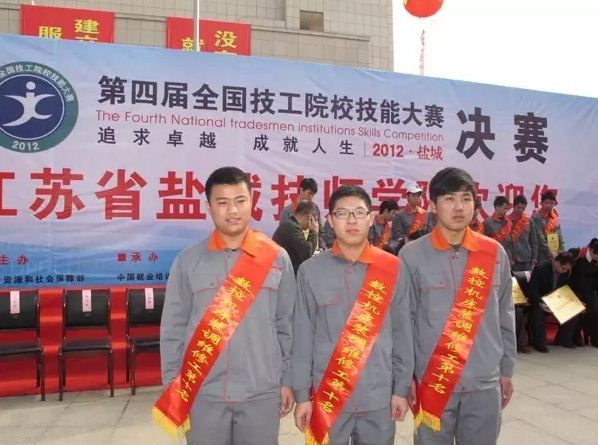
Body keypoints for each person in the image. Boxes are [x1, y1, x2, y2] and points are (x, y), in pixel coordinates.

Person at [155, 166, 296, 445]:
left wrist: (287, 380)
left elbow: (287, 325)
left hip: (261, 391)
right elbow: (173, 328)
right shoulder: (188, 261)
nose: (232, 210)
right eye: (222, 202)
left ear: (252, 202)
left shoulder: (277, 258)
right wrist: (173, 383)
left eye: (240, 200)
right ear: (209, 206)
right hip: (202, 393)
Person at [399, 167, 515, 445]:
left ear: (475, 204)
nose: (459, 207)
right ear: (433, 205)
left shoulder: (494, 253)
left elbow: (505, 315)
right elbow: (403, 323)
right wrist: (405, 378)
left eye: (466, 199)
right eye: (449, 199)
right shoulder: (411, 256)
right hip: (432, 382)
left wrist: (507, 370)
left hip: (483, 382)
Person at [292, 185, 413, 445]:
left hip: (378, 397)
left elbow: (403, 333)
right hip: (328, 396)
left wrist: (401, 389)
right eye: (342, 213)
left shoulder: (393, 268)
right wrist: (302, 395)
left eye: (359, 212)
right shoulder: (310, 271)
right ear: (330, 220)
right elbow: (302, 338)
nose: (351, 220)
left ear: (370, 218)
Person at [527, 252, 576, 352]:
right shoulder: (541, 268)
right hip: (540, 301)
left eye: (567, 270)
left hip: (556, 300)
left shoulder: (565, 272)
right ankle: (539, 343)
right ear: (557, 262)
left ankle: (563, 339)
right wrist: (541, 303)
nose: (565, 271)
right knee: (538, 312)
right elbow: (532, 290)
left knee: (574, 310)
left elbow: (565, 288)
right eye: (564, 268)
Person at [273, 200, 320, 274]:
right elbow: (307, 253)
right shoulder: (291, 227)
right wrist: (314, 232)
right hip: (283, 274)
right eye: (315, 220)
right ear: (310, 218)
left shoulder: (290, 224)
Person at [568, 239, 598, 347]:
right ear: (593, 251)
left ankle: (595, 340)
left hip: (590, 290)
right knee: (579, 313)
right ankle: (575, 338)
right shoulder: (577, 253)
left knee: (595, 312)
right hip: (575, 291)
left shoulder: (595, 262)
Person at [391, 183, 432, 253]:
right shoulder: (399, 215)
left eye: (418, 195)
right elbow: (396, 235)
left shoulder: (425, 214)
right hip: (406, 249)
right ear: (407, 197)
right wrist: (410, 239)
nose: (416, 198)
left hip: (424, 249)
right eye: (413, 195)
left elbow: (430, 232)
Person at [532, 190, 565, 263]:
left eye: (552, 203)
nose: (549, 205)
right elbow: (539, 238)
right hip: (540, 254)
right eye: (547, 202)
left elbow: (559, 235)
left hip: (555, 253)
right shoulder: (536, 217)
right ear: (541, 203)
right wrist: (551, 251)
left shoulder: (554, 217)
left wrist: (561, 250)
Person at [508, 195, 539, 272]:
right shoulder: (507, 221)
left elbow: (534, 241)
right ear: (513, 206)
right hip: (510, 259)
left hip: (526, 259)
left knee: (526, 279)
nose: (520, 210)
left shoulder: (528, 221)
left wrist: (534, 257)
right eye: (518, 207)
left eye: (523, 208)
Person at [484, 195, 513, 262]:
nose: (506, 211)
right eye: (504, 208)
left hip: (507, 256)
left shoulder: (508, 222)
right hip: (493, 255)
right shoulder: (488, 223)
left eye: (507, 209)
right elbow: (485, 241)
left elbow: (510, 241)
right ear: (497, 207)